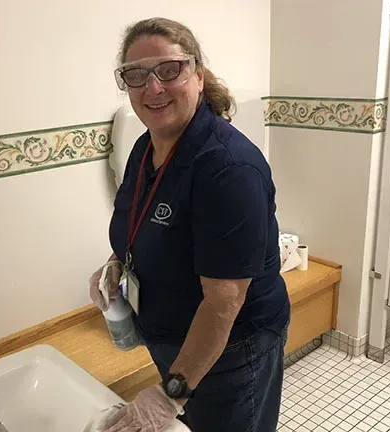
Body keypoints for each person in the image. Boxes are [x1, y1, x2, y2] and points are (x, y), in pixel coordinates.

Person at [88, 17, 290, 432]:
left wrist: (170, 393)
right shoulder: (147, 147)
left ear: (197, 74)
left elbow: (224, 301)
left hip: (233, 348)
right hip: (174, 337)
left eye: (169, 69)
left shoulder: (228, 167)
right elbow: (148, 220)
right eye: (136, 75)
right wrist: (118, 262)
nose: (153, 87)